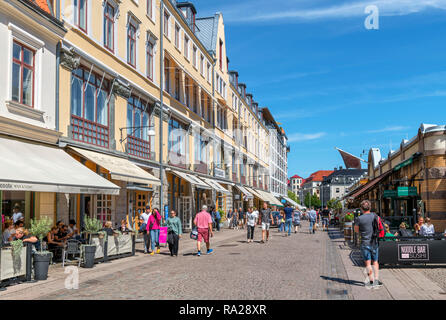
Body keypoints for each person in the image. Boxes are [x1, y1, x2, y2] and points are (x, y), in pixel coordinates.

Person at [353, 200, 383, 289]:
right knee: (375, 261)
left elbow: (356, 231)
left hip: (365, 243)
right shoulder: (375, 216)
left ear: (361, 209)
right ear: (370, 207)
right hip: (374, 242)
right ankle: (377, 280)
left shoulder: (359, 219)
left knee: (368, 263)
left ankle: (371, 281)